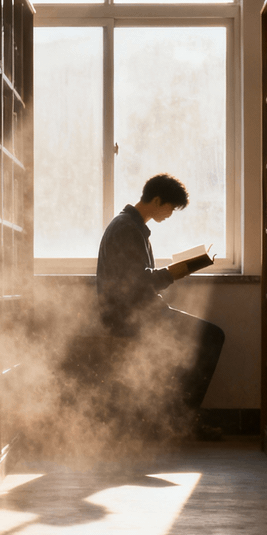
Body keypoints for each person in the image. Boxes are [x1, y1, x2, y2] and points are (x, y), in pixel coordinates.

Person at [96, 174, 225, 436]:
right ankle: (184, 421)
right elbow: (136, 284)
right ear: (156, 200)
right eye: (170, 208)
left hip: (135, 311)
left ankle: (176, 417)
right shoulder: (127, 229)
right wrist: (173, 273)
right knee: (212, 336)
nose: (170, 215)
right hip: (129, 315)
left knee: (203, 337)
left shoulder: (129, 226)